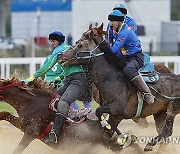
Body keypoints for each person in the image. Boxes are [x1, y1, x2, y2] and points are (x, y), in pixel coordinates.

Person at [23, 31, 90, 143]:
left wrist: (31, 78)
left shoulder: (60, 50)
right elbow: (67, 70)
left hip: (77, 81)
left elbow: (48, 66)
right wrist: (58, 79)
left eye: (53, 41)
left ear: (58, 41)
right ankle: (66, 121)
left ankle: (55, 133)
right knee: (52, 98)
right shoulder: (66, 48)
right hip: (69, 80)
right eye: (51, 41)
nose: (52, 43)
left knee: (63, 102)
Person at [99, 10, 154, 104]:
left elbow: (113, 50)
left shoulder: (124, 32)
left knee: (129, 69)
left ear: (119, 21)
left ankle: (147, 93)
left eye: (113, 21)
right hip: (126, 57)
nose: (111, 24)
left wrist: (100, 45)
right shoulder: (117, 30)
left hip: (136, 57)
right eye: (110, 21)